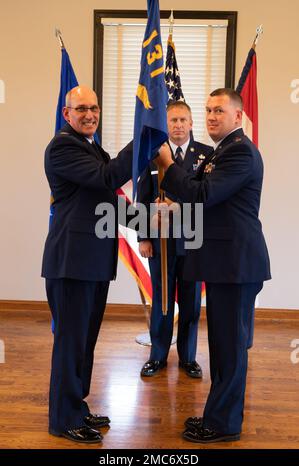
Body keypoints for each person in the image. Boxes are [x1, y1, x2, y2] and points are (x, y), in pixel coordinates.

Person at [155, 88, 271, 443]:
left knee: (231, 348)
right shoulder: (222, 152)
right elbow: (209, 199)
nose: (211, 116)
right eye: (207, 110)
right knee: (222, 346)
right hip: (225, 264)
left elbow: (202, 194)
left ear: (238, 116)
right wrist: (175, 209)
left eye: (219, 110)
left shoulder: (239, 153)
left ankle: (224, 425)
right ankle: (215, 415)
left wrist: (167, 166)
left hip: (236, 264)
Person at [41, 85, 133, 444]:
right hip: (72, 264)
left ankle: (76, 407)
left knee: (84, 343)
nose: (90, 114)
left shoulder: (91, 147)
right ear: (67, 114)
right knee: (70, 343)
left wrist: (157, 226)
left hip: (92, 263)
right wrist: (145, 139)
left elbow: (107, 202)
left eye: (94, 108)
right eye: (81, 109)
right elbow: (107, 178)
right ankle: (63, 419)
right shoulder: (63, 146)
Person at [138, 101, 212, 378]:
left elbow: (210, 199)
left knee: (192, 301)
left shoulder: (206, 156)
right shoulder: (154, 154)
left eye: (183, 120)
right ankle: (157, 355)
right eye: (173, 121)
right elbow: (142, 199)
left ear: (192, 123)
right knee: (162, 300)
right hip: (161, 243)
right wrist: (143, 237)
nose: (178, 125)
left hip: (193, 242)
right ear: (165, 125)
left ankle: (188, 358)